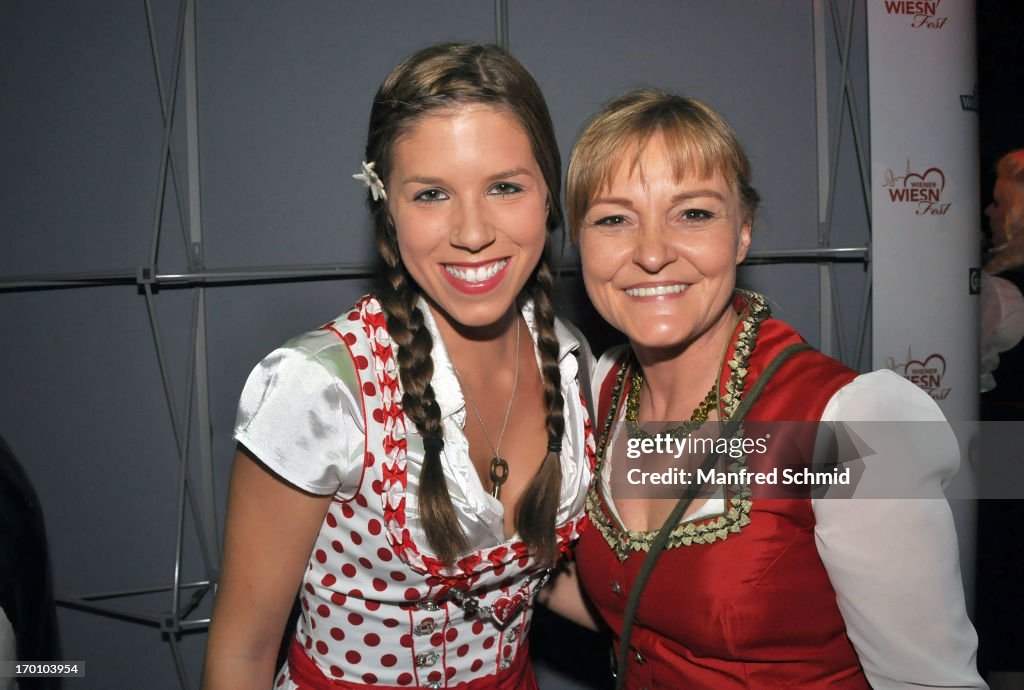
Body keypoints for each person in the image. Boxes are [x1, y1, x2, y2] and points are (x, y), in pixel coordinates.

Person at [560, 89, 985, 688]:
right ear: (580, 244)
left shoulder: (847, 427)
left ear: (742, 234)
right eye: (613, 219)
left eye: (694, 214)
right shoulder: (605, 388)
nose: (652, 253)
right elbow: (642, 610)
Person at [202, 43, 594, 689]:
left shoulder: (573, 361)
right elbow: (241, 652)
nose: (472, 232)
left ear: (549, 193)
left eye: (504, 187)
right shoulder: (321, 390)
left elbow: (541, 577)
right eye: (432, 193)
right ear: (387, 206)